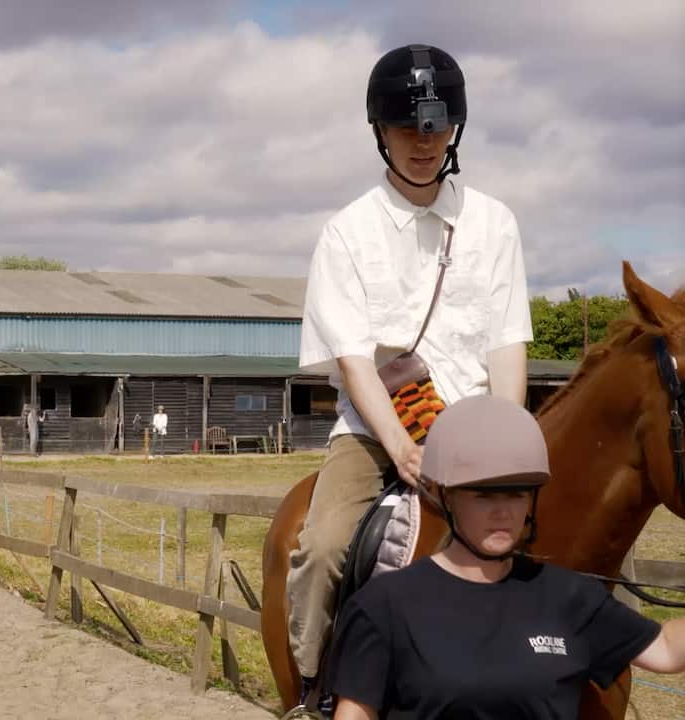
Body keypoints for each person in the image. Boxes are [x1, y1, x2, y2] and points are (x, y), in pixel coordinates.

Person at [287, 43, 534, 710]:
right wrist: (401, 448)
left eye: (437, 128)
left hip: (480, 431)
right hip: (376, 433)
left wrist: (504, 444)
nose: (424, 144)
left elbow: (508, 344)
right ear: (380, 134)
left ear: (455, 129)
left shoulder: (495, 224)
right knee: (325, 547)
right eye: (407, 129)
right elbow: (354, 363)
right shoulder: (347, 233)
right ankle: (312, 686)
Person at [327, 395, 685, 718]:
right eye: (484, 495)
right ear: (448, 498)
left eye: (516, 494)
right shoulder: (383, 606)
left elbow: (667, 650)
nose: (503, 512)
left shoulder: (570, 597)